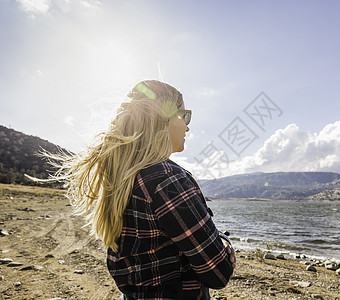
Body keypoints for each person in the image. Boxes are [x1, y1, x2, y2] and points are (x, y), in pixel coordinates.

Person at [47, 80, 235, 299]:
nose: (187, 126)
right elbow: (219, 273)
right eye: (184, 116)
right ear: (163, 119)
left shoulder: (123, 176)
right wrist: (223, 243)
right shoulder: (167, 179)